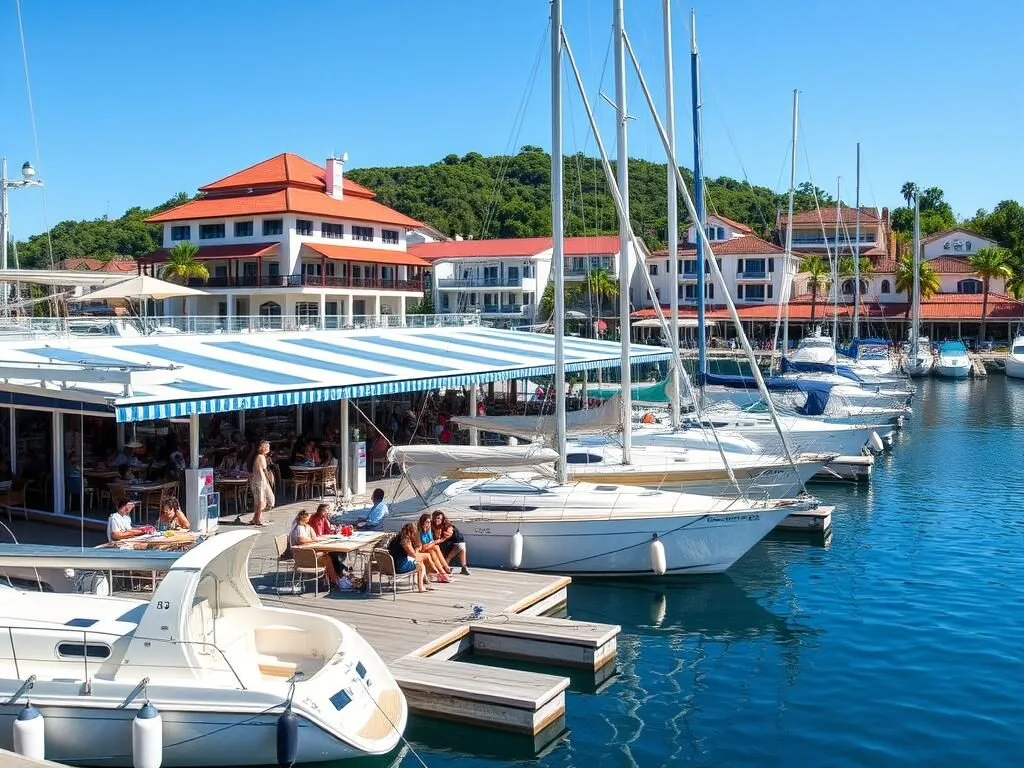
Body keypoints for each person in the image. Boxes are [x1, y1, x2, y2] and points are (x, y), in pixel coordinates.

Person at [289, 510, 343, 589]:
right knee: (327, 558)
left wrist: (310, 529)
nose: (310, 519)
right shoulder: (299, 527)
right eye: (308, 518)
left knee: (328, 555)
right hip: (302, 558)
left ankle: (331, 579)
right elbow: (301, 540)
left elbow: (313, 537)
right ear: (304, 518)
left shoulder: (303, 526)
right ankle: (336, 581)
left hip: (301, 555)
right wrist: (313, 540)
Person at [387, 523, 429, 593]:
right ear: (411, 532)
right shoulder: (405, 542)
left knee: (420, 561)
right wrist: (419, 549)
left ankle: (425, 580)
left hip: (390, 566)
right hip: (399, 567)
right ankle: (421, 587)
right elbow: (414, 555)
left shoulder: (395, 539)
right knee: (420, 565)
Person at [431, 510, 470, 575]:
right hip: (456, 543)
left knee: (451, 554)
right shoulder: (435, 525)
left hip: (456, 543)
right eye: (435, 518)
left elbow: (444, 538)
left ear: (442, 519)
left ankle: (445, 568)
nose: (436, 520)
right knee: (461, 548)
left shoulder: (448, 526)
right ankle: (464, 567)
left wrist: (434, 542)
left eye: (439, 518)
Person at [416, 513, 451, 582]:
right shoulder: (419, 531)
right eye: (427, 522)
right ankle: (444, 571)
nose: (429, 524)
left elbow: (430, 541)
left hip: (428, 548)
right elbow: (422, 546)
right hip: (421, 550)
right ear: (422, 521)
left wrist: (433, 543)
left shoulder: (428, 530)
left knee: (434, 550)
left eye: (429, 522)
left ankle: (443, 572)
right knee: (435, 547)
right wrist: (434, 542)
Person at [249, 440, 275, 526]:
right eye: (266, 446)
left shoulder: (262, 457)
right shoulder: (260, 457)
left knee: (269, 501)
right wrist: (270, 478)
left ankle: (255, 518)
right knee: (261, 501)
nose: (268, 448)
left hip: (262, 481)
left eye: (268, 447)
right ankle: (258, 519)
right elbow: (264, 470)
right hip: (259, 481)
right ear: (261, 448)